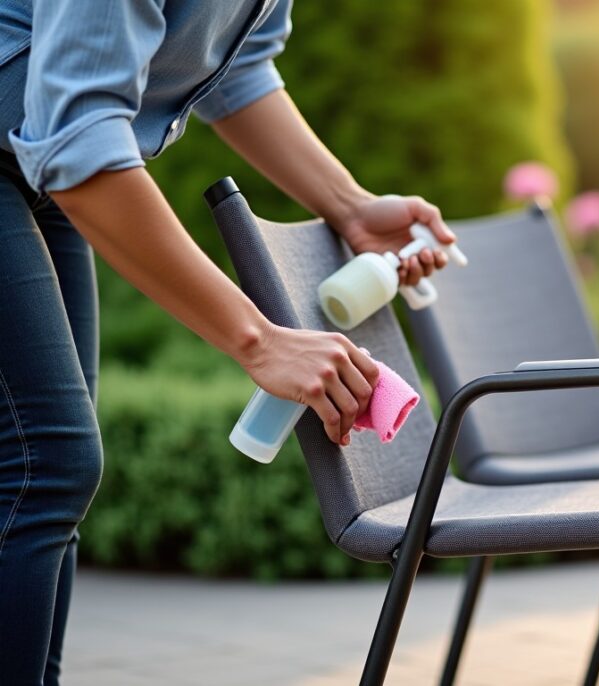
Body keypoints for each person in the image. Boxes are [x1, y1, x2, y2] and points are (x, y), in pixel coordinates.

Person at [0, 2, 457, 683]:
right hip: (53, 148)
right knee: (45, 465)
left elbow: (236, 68)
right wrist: (260, 341)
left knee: (46, 481)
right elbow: (75, 140)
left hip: (35, 153)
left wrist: (351, 206)